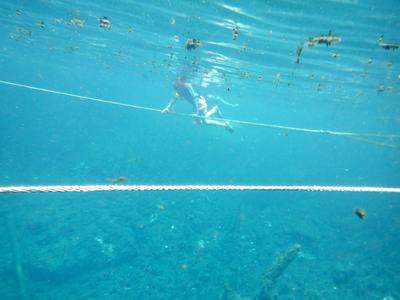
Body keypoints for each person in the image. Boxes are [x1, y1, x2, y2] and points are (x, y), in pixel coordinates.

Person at [162, 77, 234, 133]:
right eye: (175, 86)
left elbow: (195, 99)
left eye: (177, 84)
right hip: (195, 105)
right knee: (202, 122)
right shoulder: (178, 89)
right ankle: (224, 123)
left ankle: (215, 110)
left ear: (180, 82)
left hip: (199, 102)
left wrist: (196, 112)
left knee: (204, 120)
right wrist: (168, 107)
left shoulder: (187, 86)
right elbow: (175, 98)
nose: (176, 87)